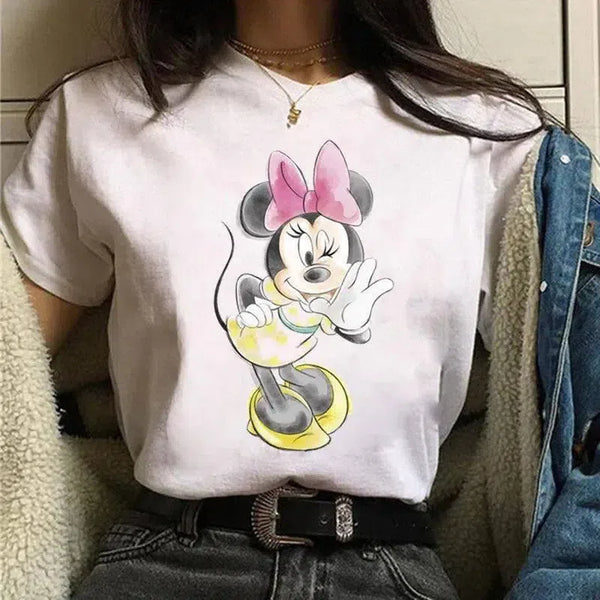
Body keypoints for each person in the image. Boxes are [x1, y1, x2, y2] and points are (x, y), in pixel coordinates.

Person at [0, 1, 557, 598]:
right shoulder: (99, 113)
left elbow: (567, 404)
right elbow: (14, 359)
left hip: (390, 565)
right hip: (167, 563)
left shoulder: (486, 131)